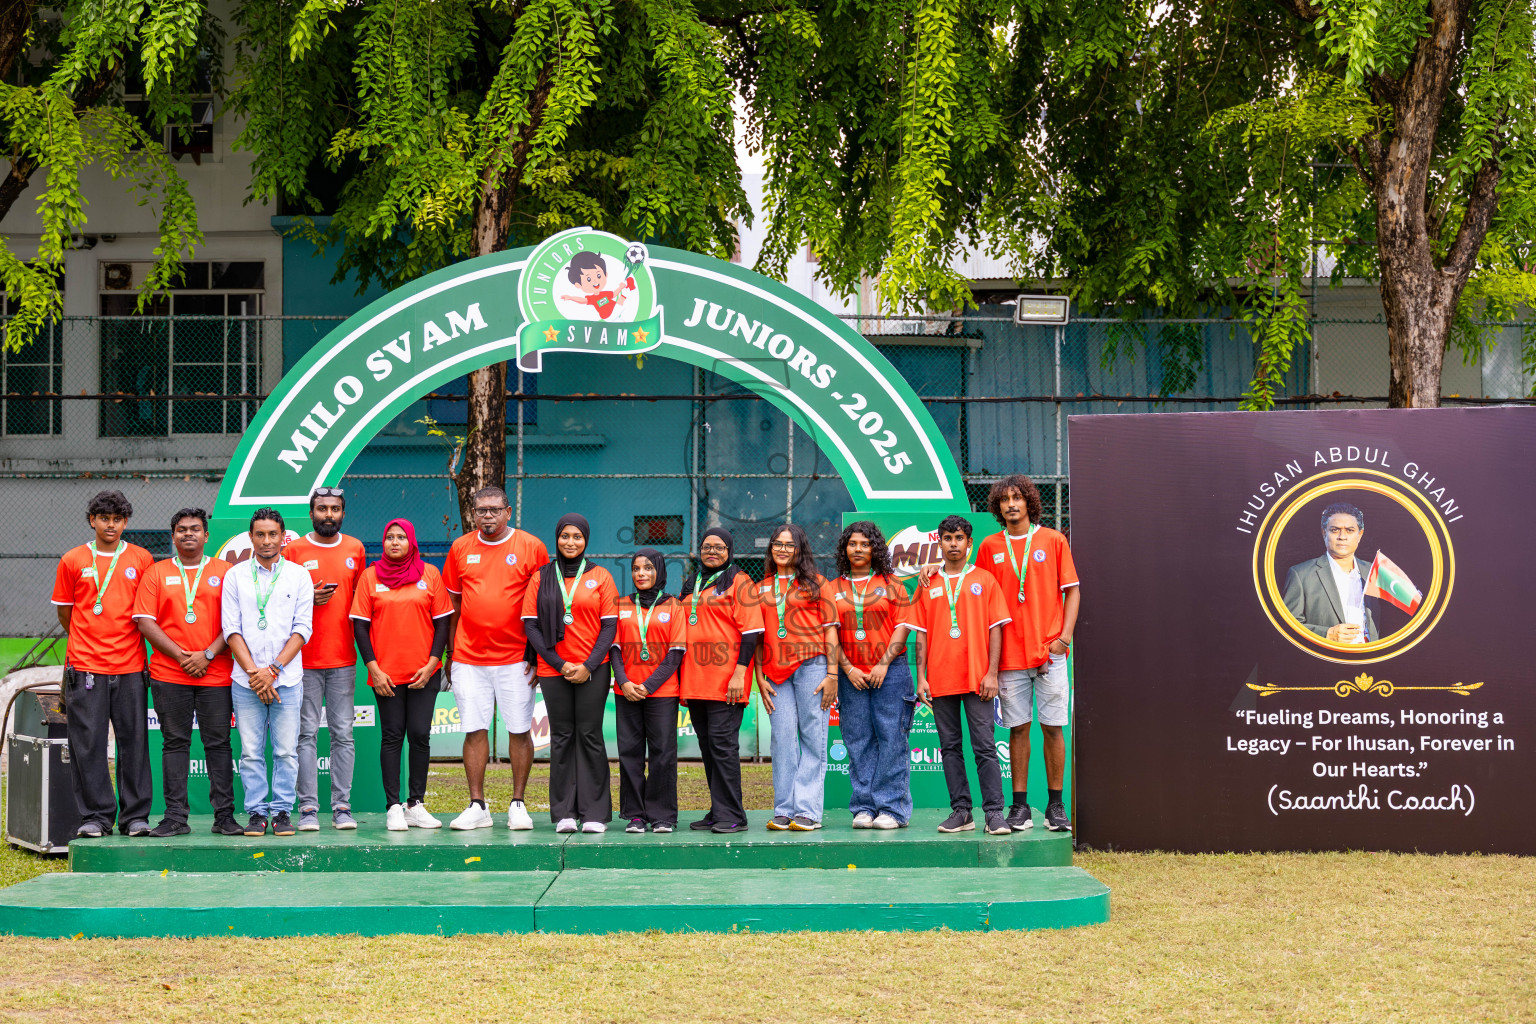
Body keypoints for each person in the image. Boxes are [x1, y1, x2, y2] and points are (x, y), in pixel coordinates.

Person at [973, 476, 1080, 834]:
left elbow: (1073, 592)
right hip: (1008, 657)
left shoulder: (1052, 539)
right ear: (997, 507)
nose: (1011, 504)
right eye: (1004, 499)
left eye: (1017, 497)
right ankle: (1019, 807)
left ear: (1029, 502)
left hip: (1049, 653)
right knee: (1017, 731)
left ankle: (1055, 806)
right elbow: (978, 595)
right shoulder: (989, 546)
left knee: (1053, 729)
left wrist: (1064, 638)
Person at [442, 486, 549, 831]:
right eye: (481, 510)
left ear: (508, 511)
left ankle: (518, 803)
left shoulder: (531, 546)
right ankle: (478, 806)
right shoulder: (460, 547)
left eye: (494, 509)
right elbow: (453, 606)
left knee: (519, 730)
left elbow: (544, 605)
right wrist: (450, 653)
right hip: (469, 658)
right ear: (473, 513)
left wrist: (538, 654)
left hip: (516, 657)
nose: (487, 516)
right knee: (474, 729)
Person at [49, 490, 156, 838]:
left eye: (117, 519)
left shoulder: (141, 558)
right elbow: (67, 613)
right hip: (85, 667)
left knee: (134, 743)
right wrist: (88, 641)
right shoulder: (72, 559)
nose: (111, 525)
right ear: (92, 520)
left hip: (129, 666)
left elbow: (145, 614)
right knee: (88, 744)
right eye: (104, 518)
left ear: (125, 522)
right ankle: (96, 817)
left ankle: (135, 816)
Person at [132, 508, 240, 837]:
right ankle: (175, 817)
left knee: (219, 744)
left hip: (217, 673)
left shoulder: (226, 572)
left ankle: (224, 816)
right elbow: (145, 621)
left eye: (195, 529)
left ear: (207, 536)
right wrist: (183, 656)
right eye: (181, 530)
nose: (188, 534)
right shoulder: (156, 572)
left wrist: (207, 654)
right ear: (173, 535)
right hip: (169, 674)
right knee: (174, 744)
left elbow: (236, 620)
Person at [911, 514, 1012, 836]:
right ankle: (961, 811)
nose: (953, 544)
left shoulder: (984, 579)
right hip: (941, 680)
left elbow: (996, 630)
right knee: (950, 747)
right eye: (947, 538)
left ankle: (994, 813)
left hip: (977, 678)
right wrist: (922, 678)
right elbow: (922, 635)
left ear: (969, 543)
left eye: (959, 538)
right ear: (938, 543)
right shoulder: (928, 583)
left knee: (984, 747)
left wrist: (992, 673)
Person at [350, 519, 453, 830]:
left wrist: (433, 662)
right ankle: (393, 806)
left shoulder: (430, 574)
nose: (394, 542)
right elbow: (360, 626)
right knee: (393, 736)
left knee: (420, 735)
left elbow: (443, 624)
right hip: (387, 675)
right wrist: (374, 669)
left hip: (425, 672)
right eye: (389, 537)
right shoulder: (370, 577)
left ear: (412, 542)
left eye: (401, 537)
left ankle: (416, 804)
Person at [522, 514, 618, 833]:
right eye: (565, 536)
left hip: (594, 669)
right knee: (561, 737)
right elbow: (531, 625)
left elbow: (609, 627)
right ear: (557, 538)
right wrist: (559, 663)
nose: (571, 542)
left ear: (586, 540)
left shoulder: (601, 576)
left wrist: (588, 665)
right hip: (553, 668)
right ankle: (564, 812)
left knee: (589, 736)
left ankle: (594, 813)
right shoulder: (541, 577)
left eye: (577, 536)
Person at [222, 508, 314, 838]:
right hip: (245, 681)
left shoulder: (299, 576)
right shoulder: (235, 576)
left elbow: (303, 629)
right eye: (259, 534)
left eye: (272, 534)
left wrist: (272, 671)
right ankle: (258, 813)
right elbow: (231, 629)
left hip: (286, 680)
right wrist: (254, 673)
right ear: (251, 537)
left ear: (283, 537)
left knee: (286, 751)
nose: (266, 540)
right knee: (249, 752)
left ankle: (282, 813)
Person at [284, 487, 365, 831]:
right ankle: (307, 809)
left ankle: (342, 807)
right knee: (305, 735)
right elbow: (277, 600)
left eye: (334, 509)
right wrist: (306, 599)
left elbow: (364, 602)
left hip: (343, 658)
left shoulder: (355, 549)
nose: (328, 514)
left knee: (343, 733)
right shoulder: (294, 550)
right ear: (311, 512)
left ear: (342, 513)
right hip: (301, 660)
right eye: (322, 508)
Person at [676, 527, 764, 834]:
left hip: (726, 681)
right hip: (695, 680)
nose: (712, 551)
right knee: (709, 748)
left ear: (729, 551)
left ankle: (734, 816)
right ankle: (719, 809)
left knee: (723, 747)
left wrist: (741, 672)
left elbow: (751, 631)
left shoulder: (741, 582)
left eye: (719, 547)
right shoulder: (693, 582)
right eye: (706, 547)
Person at [832, 521, 917, 830]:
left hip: (890, 670)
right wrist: (848, 668)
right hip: (850, 672)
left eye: (864, 544)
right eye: (852, 543)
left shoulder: (892, 583)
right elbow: (830, 634)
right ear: (845, 549)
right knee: (858, 739)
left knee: (891, 738)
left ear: (875, 549)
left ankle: (892, 808)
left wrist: (882, 663)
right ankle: (865, 806)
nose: (858, 549)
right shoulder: (833, 588)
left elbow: (902, 626)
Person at [756, 524, 839, 831]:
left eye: (789, 545)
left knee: (813, 738)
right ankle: (784, 809)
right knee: (782, 741)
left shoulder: (818, 584)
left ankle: (807, 811)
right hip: (775, 673)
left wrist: (832, 673)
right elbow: (756, 636)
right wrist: (759, 675)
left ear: (800, 549)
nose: (782, 549)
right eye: (777, 544)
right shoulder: (760, 587)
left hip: (812, 666)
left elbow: (831, 629)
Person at [609, 549, 686, 834]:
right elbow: (614, 649)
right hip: (626, 690)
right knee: (629, 753)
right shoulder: (621, 605)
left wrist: (648, 686)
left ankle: (663, 815)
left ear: (660, 572)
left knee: (662, 754)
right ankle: (635, 815)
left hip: (662, 692)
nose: (641, 573)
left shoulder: (674, 606)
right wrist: (625, 682)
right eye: (636, 568)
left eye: (648, 568)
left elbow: (675, 654)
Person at [1283, 502, 1380, 644]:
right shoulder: (1301, 574)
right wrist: (1326, 634)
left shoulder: (1374, 571)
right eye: (1335, 530)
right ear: (1324, 533)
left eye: (1350, 530)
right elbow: (1286, 627)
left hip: (1369, 660)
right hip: (1324, 661)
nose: (1342, 536)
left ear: (1360, 534)